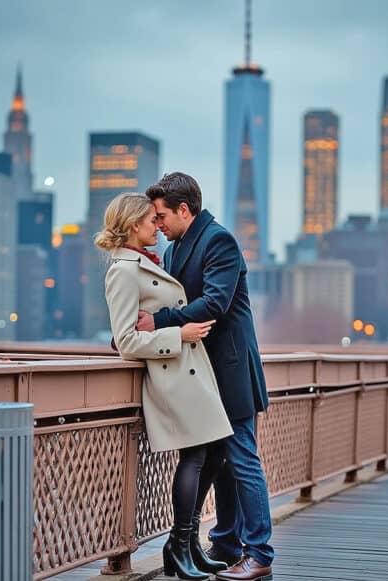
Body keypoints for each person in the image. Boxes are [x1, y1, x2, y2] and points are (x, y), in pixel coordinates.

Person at [137, 173, 274, 581]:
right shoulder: (179, 247)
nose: (157, 224)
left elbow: (215, 302)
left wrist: (158, 322)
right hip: (204, 373)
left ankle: (260, 554)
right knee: (226, 463)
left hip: (230, 371)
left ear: (184, 210)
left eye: (161, 216)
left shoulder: (218, 240)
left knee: (242, 459)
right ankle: (228, 544)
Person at [96, 192, 233, 580]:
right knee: (194, 456)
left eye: (158, 220)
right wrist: (179, 333)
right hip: (171, 374)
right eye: (150, 221)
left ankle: (184, 544)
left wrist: (177, 331)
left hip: (190, 369)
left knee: (216, 450)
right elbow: (125, 341)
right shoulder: (123, 270)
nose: (157, 226)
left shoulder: (150, 261)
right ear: (132, 225)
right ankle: (181, 542)